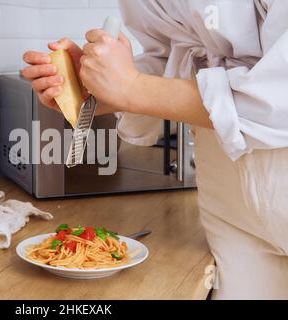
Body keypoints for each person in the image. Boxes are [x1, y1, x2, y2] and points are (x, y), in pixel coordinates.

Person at [21, 0, 288, 299]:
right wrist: (100, 87)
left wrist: (131, 87)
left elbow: (280, 96)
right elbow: (170, 61)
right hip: (226, 197)